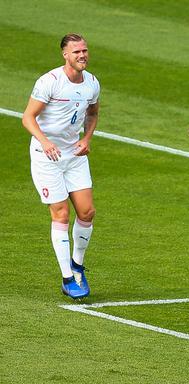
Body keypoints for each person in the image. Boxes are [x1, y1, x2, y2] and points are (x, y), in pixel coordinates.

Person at [22, 33, 100, 300]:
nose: (82, 55)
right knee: (61, 215)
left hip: (74, 154)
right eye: (77, 52)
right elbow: (28, 117)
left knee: (87, 212)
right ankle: (68, 277)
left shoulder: (92, 83)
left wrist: (87, 138)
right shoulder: (50, 82)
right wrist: (44, 142)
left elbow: (93, 113)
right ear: (65, 55)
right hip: (47, 156)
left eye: (85, 51)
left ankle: (77, 264)